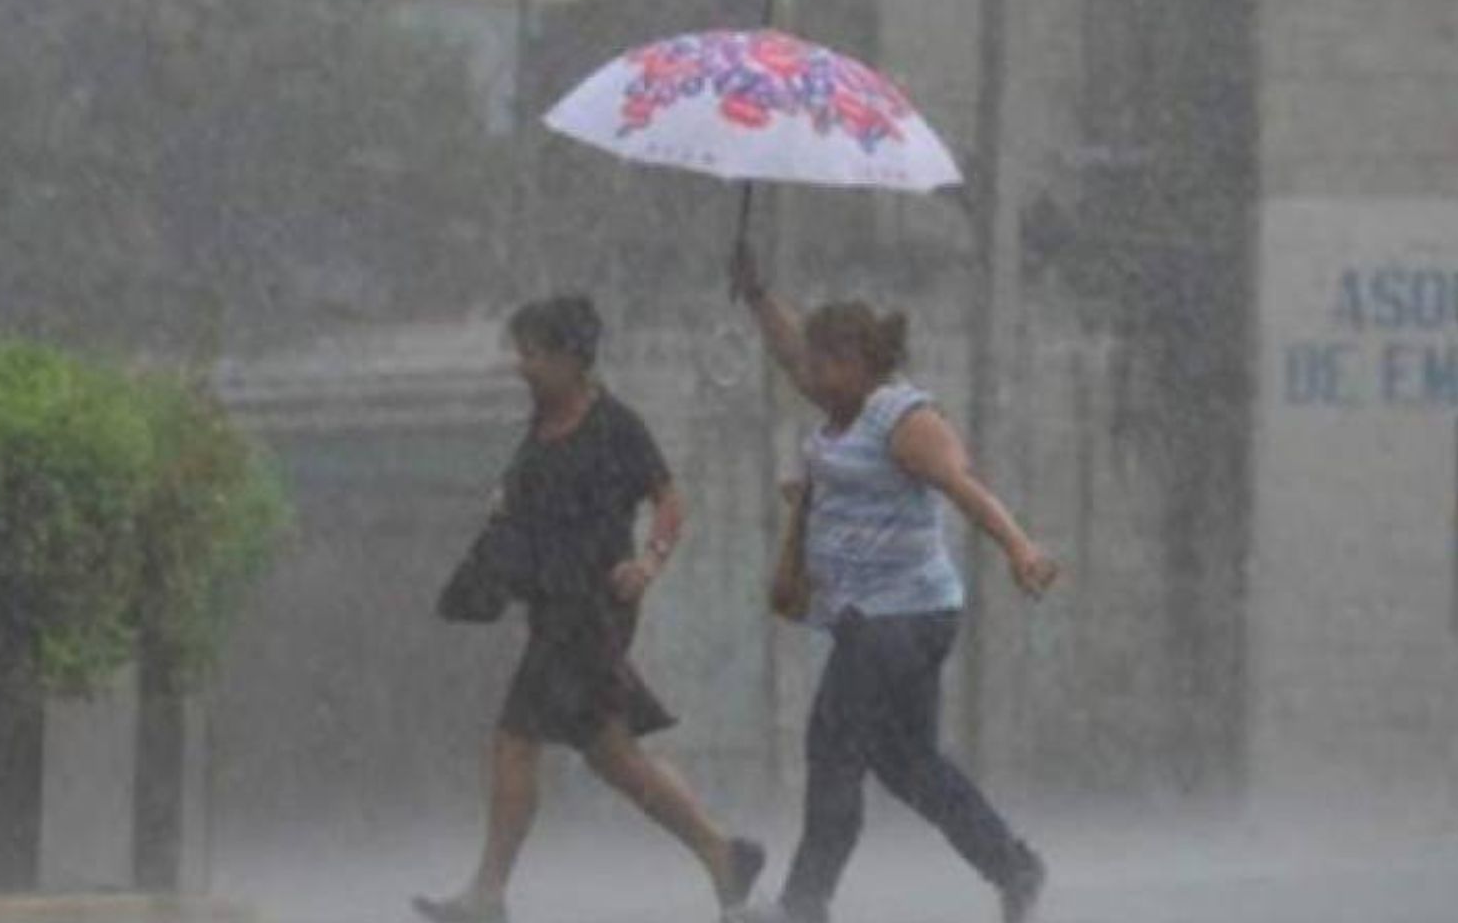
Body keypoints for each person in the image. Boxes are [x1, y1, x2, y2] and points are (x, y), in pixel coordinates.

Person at [730, 246, 1060, 923]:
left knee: (833, 745)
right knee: (907, 762)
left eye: (826, 363)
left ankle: (803, 904)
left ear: (861, 361)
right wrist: (757, 294)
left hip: (898, 618)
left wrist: (1019, 547)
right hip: (888, 618)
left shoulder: (901, 417)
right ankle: (1013, 866)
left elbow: (962, 485)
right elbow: (790, 353)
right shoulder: (840, 407)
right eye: (813, 363)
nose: (812, 375)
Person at [415, 295, 765, 923]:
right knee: (612, 755)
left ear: (571, 358)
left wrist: (650, 562)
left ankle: (488, 894)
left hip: (591, 612)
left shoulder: (614, 426)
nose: (521, 366)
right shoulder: (539, 425)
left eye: (532, 354)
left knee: (516, 739)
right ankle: (723, 853)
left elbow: (669, 499)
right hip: (554, 609)